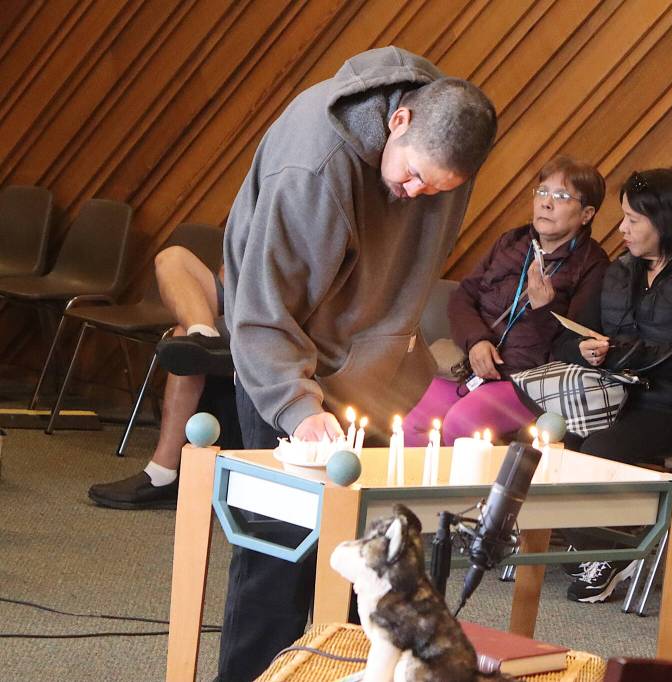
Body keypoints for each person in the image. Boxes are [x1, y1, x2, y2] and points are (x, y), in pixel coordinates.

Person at [216, 47, 496, 682]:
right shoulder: (311, 167)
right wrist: (297, 406)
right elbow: (262, 309)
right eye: (415, 177)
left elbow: (407, 264)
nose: (418, 194)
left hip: (368, 377)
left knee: (361, 577)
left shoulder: (443, 141)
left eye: (439, 188)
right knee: (278, 565)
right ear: (398, 123)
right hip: (282, 365)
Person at [556, 168, 672, 603]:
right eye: (623, 217)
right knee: (557, 436)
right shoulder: (621, 270)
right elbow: (572, 334)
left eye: (633, 220)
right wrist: (584, 348)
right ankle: (594, 541)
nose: (622, 228)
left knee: (601, 447)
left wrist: (617, 351)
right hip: (622, 396)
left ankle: (613, 548)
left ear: (667, 222)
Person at [404, 155, 609, 445]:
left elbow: (574, 346)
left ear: (586, 214)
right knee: (412, 426)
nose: (546, 203)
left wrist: (544, 309)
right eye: (542, 192)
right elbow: (464, 297)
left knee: (461, 425)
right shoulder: (512, 242)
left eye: (561, 196)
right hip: (473, 365)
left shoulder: (593, 264)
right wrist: (476, 341)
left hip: (529, 383)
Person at [87, 247, 230, 509]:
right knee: (172, 256)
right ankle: (204, 335)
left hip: (268, 306)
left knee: (181, 334)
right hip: (236, 296)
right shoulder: (250, 204)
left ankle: (163, 470)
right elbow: (227, 269)